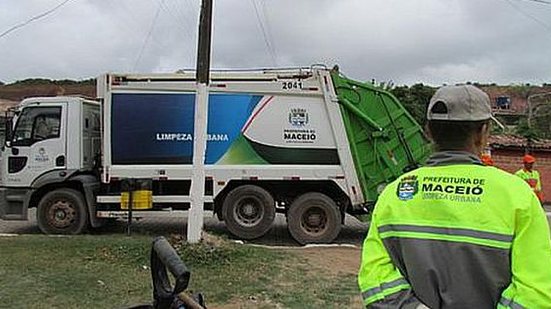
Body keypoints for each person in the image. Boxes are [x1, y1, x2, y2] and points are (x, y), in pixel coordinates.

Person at [358, 85, 551, 308]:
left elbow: (376, 280)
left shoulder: (394, 194)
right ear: (483, 132)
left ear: (428, 131)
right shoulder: (518, 196)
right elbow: (535, 292)